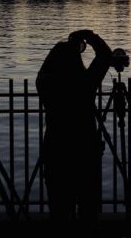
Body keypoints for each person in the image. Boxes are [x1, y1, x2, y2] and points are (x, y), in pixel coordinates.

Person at [36, 29, 112, 222]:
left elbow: (44, 70)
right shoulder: (85, 83)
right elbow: (105, 56)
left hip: (56, 152)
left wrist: (63, 48)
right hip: (85, 154)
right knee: (88, 211)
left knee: (59, 212)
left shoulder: (45, 84)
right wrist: (91, 36)